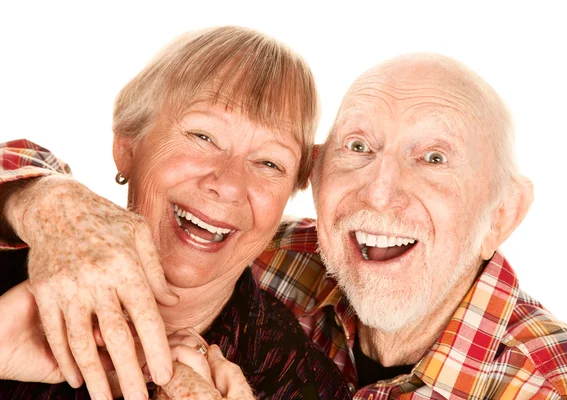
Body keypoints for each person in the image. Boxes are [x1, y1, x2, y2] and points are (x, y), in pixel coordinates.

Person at [2, 53, 567, 398]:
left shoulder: (549, 385)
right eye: (358, 147)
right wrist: (45, 199)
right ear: (314, 179)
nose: (380, 192)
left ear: (503, 214)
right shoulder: (272, 249)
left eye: (435, 158)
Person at [0, 26, 351, 400]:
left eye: (269, 163)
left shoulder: (305, 384)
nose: (230, 184)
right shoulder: (15, 283)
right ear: (128, 146)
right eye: (203, 136)